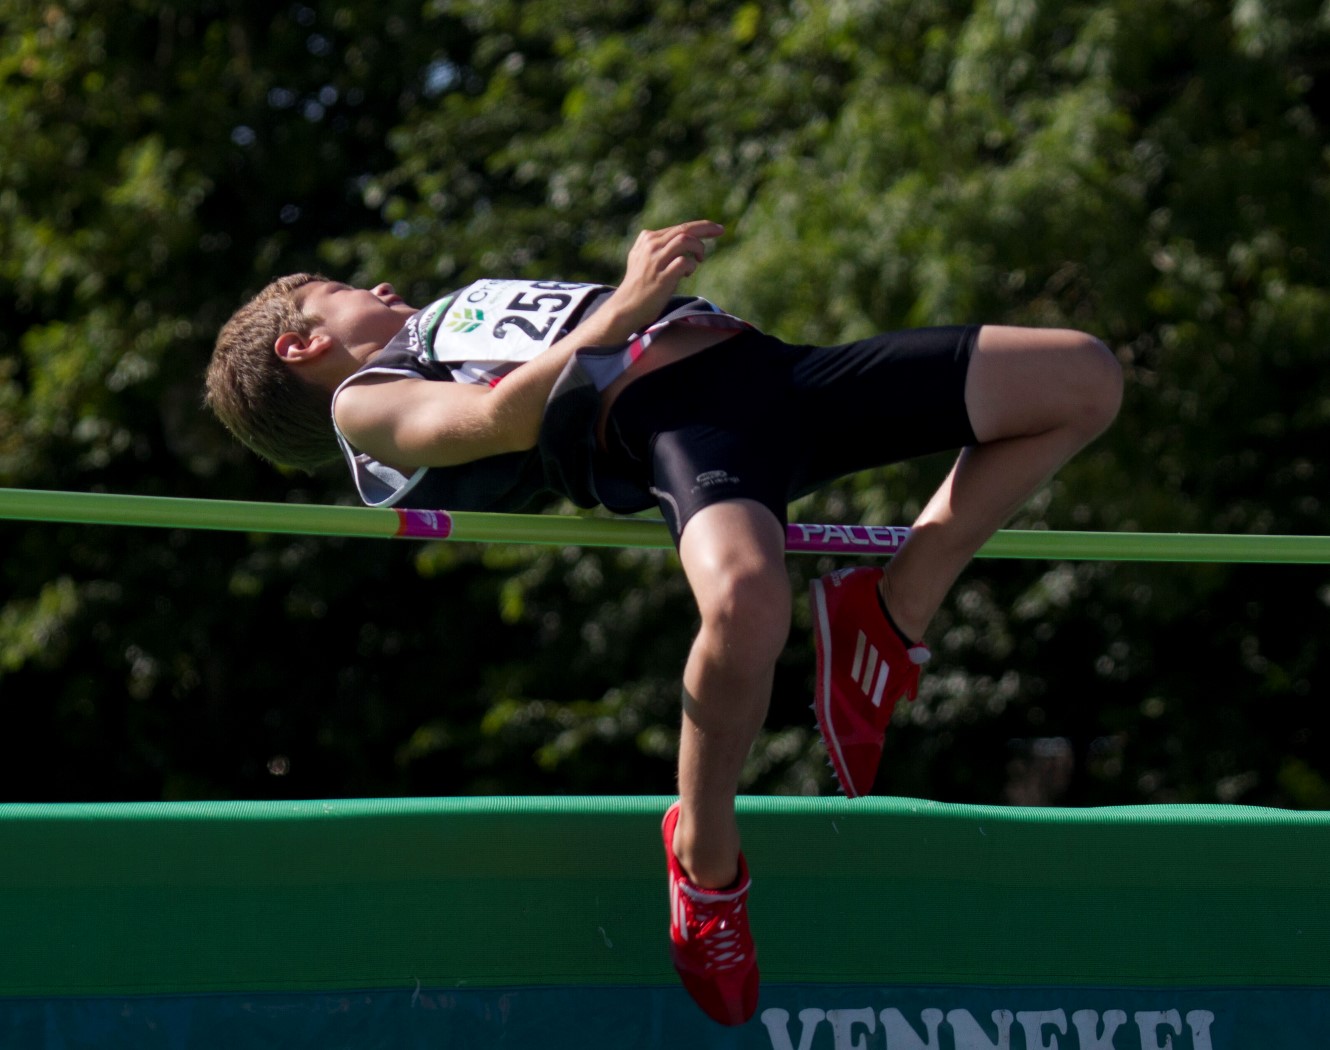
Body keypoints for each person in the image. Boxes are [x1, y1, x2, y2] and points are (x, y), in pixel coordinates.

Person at [206, 220, 1123, 1026]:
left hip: (769, 374)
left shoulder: (442, 316)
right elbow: (490, 417)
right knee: (740, 602)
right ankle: (705, 862)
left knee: (1082, 378)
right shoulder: (364, 399)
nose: (381, 290)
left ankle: (888, 606)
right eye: (345, 293)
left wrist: (642, 307)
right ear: (301, 347)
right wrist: (627, 305)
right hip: (675, 423)